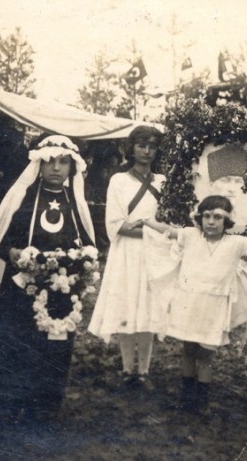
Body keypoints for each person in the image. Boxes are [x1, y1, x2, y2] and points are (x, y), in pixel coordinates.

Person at [0, 135, 95, 428]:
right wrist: (14, 253)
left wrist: (80, 262)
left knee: (53, 350)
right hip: (20, 291)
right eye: (50, 162)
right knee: (14, 346)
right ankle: (5, 409)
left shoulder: (76, 203)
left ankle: (43, 411)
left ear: (72, 167)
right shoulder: (23, 198)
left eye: (63, 162)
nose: (56, 168)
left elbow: (89, 245)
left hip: (60, 293)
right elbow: (0, 242)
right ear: (39, 164)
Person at [143, 195, 247, 413]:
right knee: (188, 349)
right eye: (207, 216)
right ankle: (186, 397)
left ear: (227, 220)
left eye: (217, 217)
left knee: (206, 354)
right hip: (188, 302)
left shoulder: (235, 243)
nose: (211, 222)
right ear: (200, 218)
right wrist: (145, 222)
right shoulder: (191, 235)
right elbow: (168, 230)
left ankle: (202, 400)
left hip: (214, 307)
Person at [88, 125, 164, 389]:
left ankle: (144, 370)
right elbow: (117, 224)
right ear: (131, 148)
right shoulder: (119, 181)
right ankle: (126, 368)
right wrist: (154, 231)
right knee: (126, 306)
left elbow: (169, 223)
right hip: (127, 253)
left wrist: (154, 231)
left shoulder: (163, 182)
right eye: (142, 145)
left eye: (152, 146)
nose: (146, 151)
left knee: (148, 308)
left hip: (155, 254)